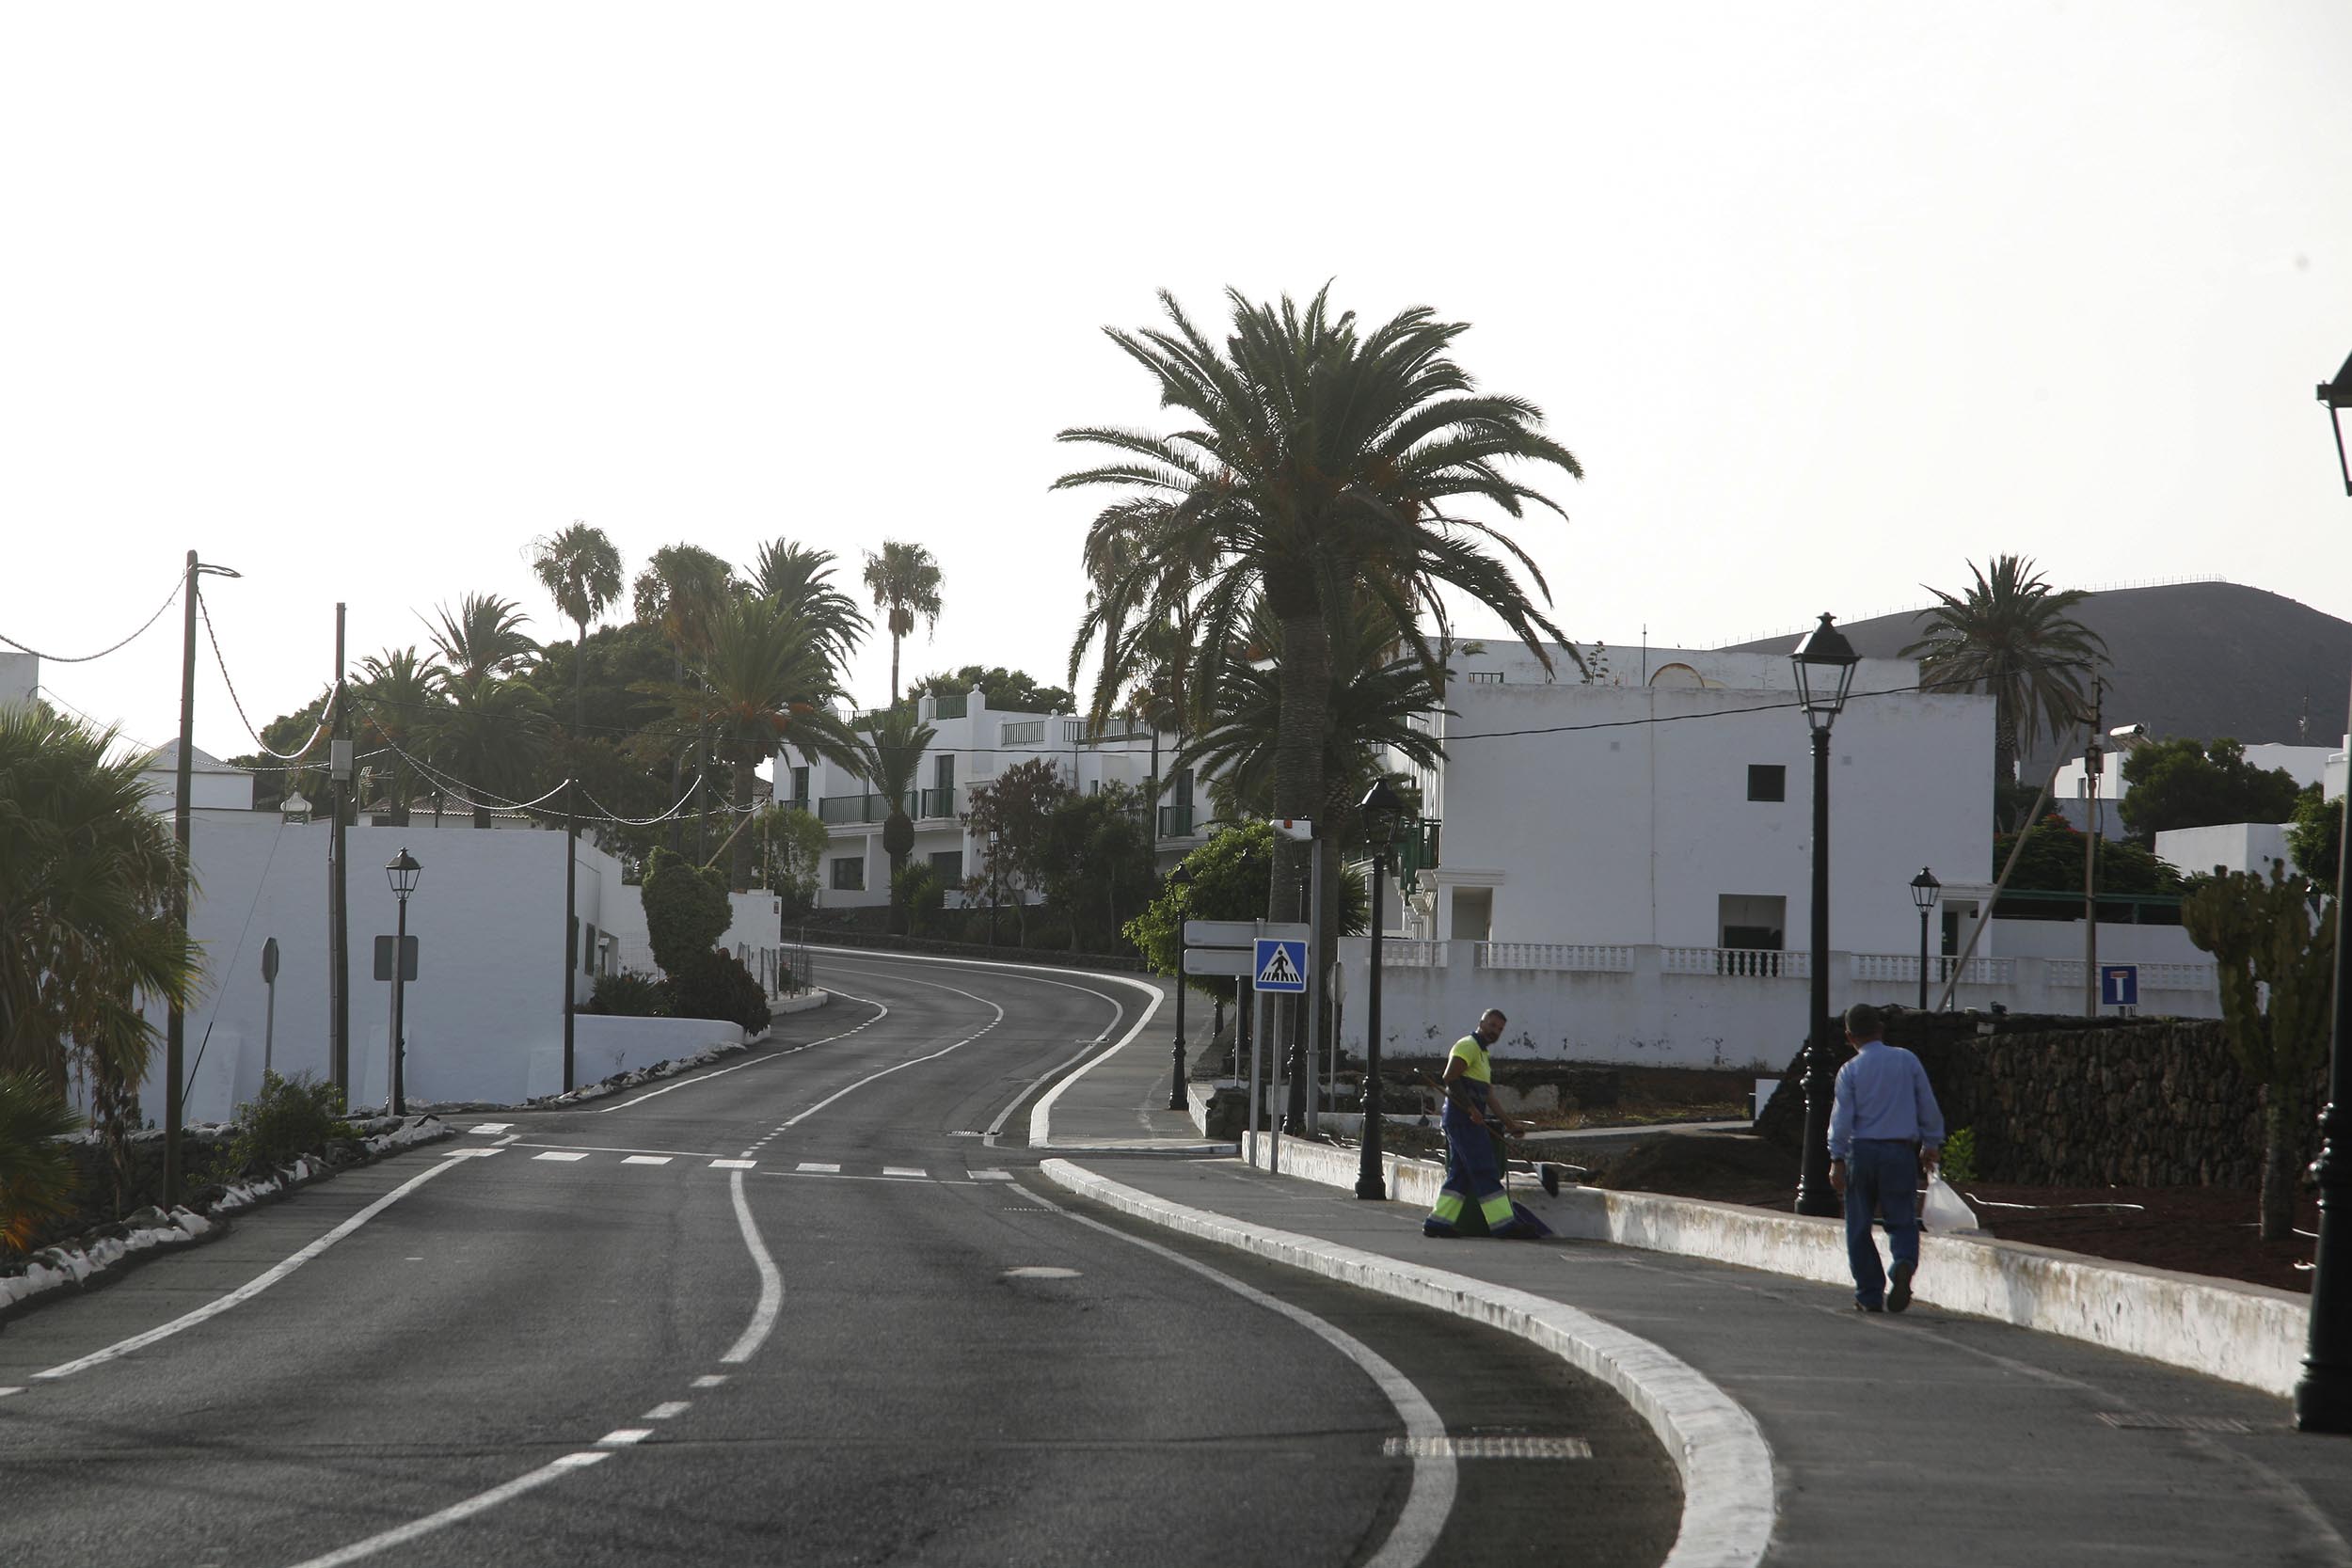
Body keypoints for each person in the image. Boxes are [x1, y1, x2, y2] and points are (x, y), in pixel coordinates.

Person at [1827, 1002, 1945, 1313]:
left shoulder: (1849, 1070)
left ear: (1850, 1036)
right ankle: (1903, 1263)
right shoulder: (1906, 1060)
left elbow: (1842, 1120)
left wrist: (1836, 1159)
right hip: (1899, 1152)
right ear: (1881, 1030)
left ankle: (1868, 1294)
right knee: (1902, 1219)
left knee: (1859, 1225)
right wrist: (1930, 1144)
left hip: (1861, 1152)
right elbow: (1927, 1105)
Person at [1422, 1008, 1532, 1239]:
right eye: (1492, 1025)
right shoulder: (1468, 1046)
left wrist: (1509, 1124)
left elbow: (1488, 1095)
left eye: (1500, 1029)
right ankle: (1503, 1225)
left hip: (1467, 1120)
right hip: (1462, 1120)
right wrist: (1471, 1109)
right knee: (1485, 1169)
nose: (1495, 1031)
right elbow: (1450, 1077)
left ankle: (1437, 1223)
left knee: (1461, 1174)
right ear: (1481, 1023)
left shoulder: (1483, 1056)